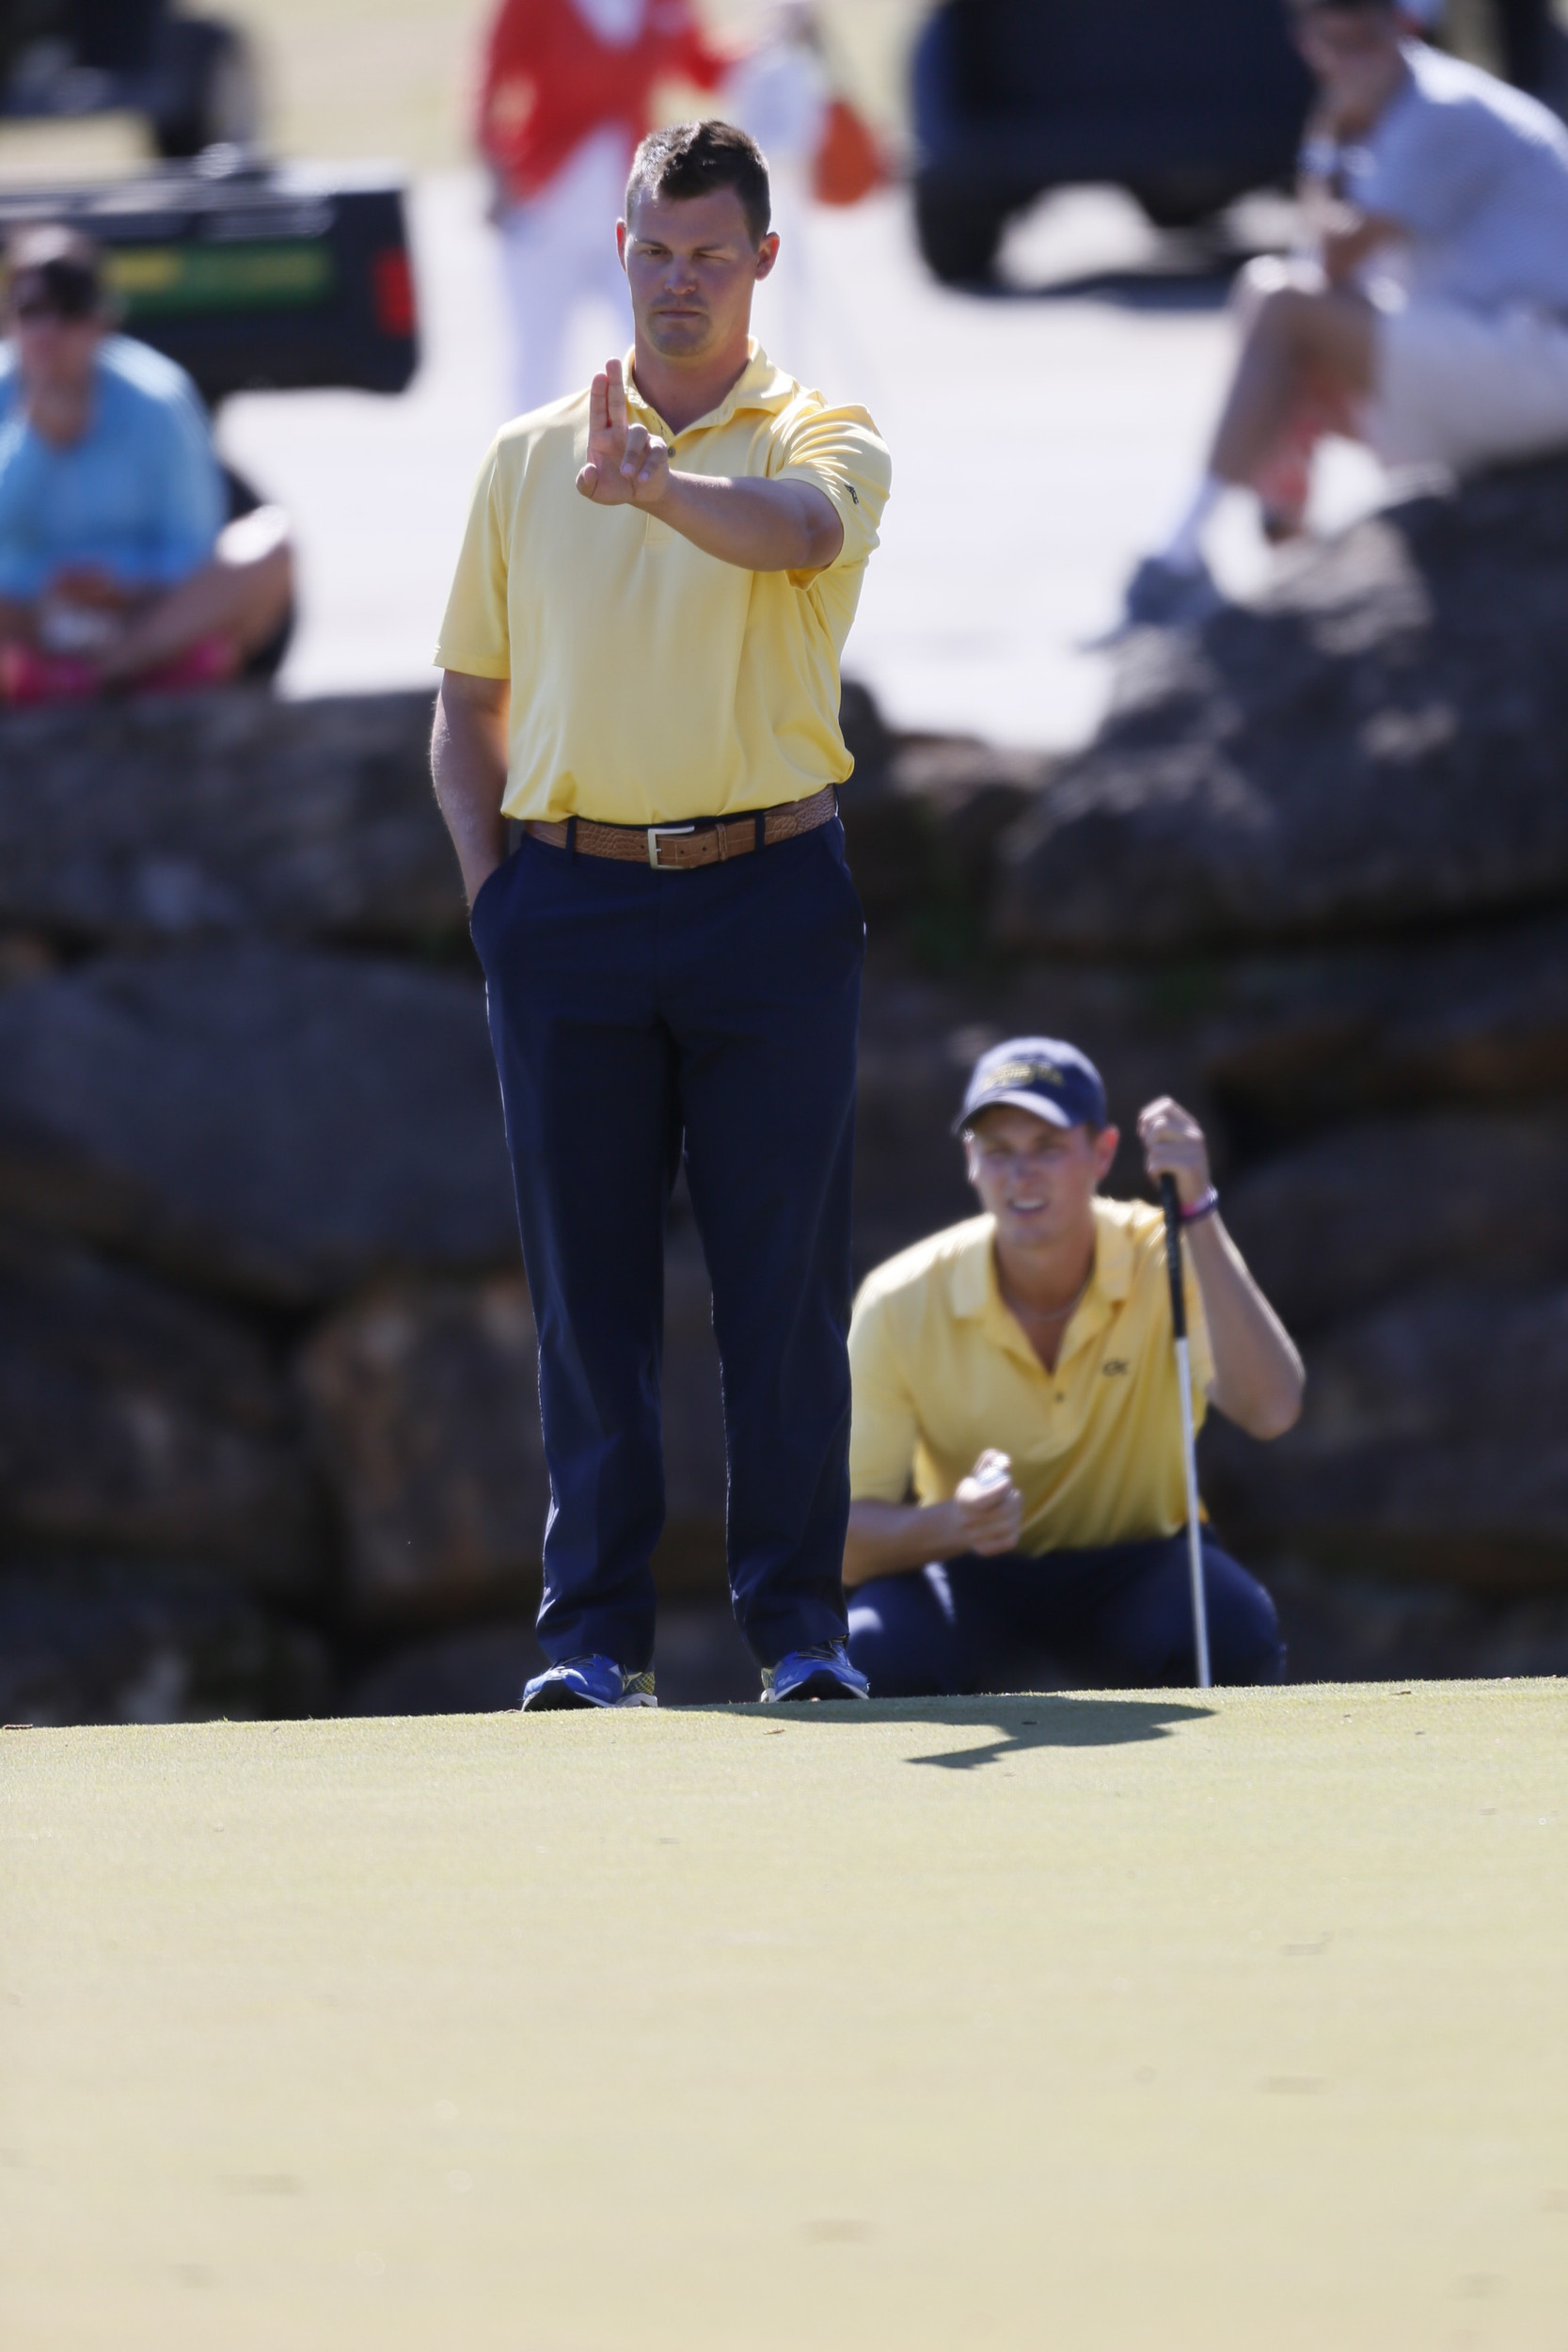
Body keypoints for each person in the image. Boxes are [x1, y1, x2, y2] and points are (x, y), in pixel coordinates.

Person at [432, 120, 892, 1709]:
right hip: (565, 906)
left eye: (710, 256)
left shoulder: (819, 429)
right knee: (587, 1295)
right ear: (616, 245)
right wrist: (498, 904)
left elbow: (801, 537)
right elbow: (464, 710)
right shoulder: (519, 456)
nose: (677, 283)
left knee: (779, 1291)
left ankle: (800, 1636)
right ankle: (593, 1643)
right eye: (653, 249)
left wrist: (658, 490)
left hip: (766, 898)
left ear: (762, 263)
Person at [843, 1041, 1305, 1695]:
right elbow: (839, 1541)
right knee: (865, 1653)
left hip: (1143, 1564)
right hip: (965, 1566)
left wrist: (1197, 1210)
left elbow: (1271, 1410)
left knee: (1232, 1631)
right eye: (997, 1149)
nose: (1019, 1173)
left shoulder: (1167, 1256)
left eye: (1047, 1146)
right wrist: (953, 1523)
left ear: (1102, 1153)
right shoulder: (900, 1298)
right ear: (970, 1162)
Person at [1123, 0, 1568, 625]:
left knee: (1282, 306)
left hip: (1545, 357)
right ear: (1307, 41)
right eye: (1334, 43)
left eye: (1364, 40)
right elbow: (1332, 273)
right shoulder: (1380, 113)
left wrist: (1327, 141)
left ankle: (1174, 557)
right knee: (1283, 328)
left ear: (1402, 29)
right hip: (1505, 355)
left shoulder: (1438, 109)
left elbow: (1328, 262)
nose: (1348, 59)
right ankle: (1281, 557)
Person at [0, 226, 293, 703]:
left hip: (141, 616)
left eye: (69, 309)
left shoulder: (158, 398)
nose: (49, 332)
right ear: (10, 320)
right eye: (31, 311)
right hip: (26, 619)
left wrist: (115, 583)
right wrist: (33, 442)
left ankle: (108, 674)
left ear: (101, 319)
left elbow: (193, 543)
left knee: (269, 545)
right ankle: (77, 675)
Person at [476, 0, 732, 418]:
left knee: (669, 346)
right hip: (546, 208)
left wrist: (774, 38)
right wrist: (495, 174)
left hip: (631, 213)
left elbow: (706, 67)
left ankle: (672, 474)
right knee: (536, 370)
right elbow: (490, 83)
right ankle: (527, 478)